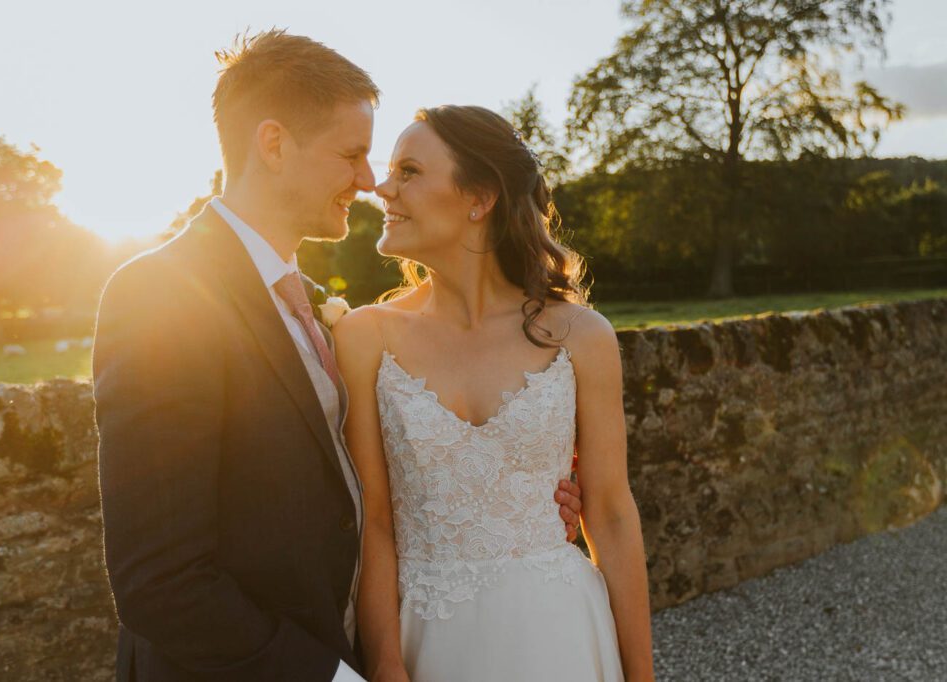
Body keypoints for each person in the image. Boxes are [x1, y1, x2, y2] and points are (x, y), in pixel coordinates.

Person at [93, 31, 583, 681]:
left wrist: (519, 502)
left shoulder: (322, 308)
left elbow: (358, 487)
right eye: (352, 154)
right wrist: (332, 676)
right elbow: (160, 581)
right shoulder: (161, 294)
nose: (368, 180)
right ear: (273, 144)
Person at [334, 106, 655, 681]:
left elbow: (609, 513)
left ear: (479, 197)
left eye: (408, 171)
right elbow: (374, 523)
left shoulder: (580, 335)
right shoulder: (363, 337)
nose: (382, 188)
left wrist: (642, 677)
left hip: (562, 634)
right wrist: (385, 665)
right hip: (427, 638)